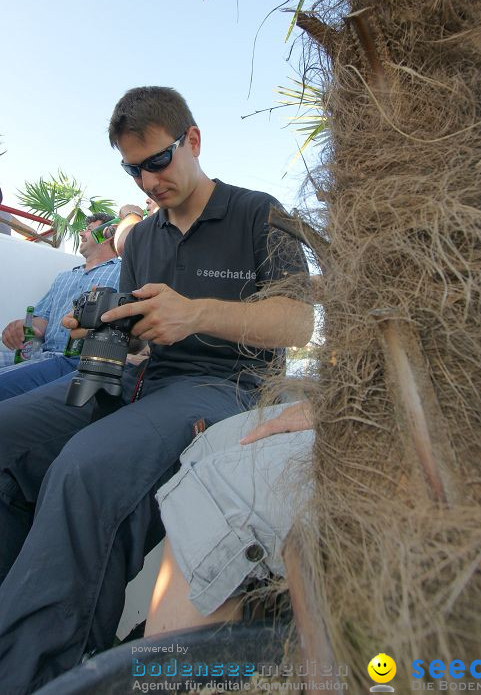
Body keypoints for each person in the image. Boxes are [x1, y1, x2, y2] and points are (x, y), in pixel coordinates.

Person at [145, 17, 481, 637]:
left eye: (469, 79)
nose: (443, 99)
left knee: (225, 484)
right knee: (213, 448)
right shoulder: (459, 185)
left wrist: (353, 409)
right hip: (429, 402)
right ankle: (241, 633)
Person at [0, 86, 312, 694]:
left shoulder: (259, 213)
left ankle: (35, 673)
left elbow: (297, 322)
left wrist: (194, 314)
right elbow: (143, 339)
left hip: (224, 385)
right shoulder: (141, 240)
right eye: (132, 168)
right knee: (7, 438)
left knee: (88, 468)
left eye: (158, 161)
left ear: (192, 141)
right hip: (139, 376)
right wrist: (112, 329)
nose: (147, 181)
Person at [0, 212, 121, 400]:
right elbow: (42, 320)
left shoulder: (122, 270)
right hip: (39, 354)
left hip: (77, 360)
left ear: (107, 234)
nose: (81, 234)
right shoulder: (63, 277)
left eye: (88, 230)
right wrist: (23, 327)